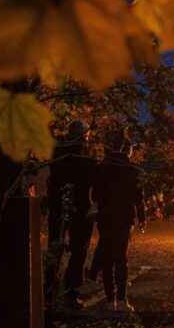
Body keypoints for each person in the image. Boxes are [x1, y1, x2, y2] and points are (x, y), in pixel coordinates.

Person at [45, 121, 96, 309]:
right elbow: (93, 179)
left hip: (58, 204)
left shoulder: (57, 151)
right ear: (84, 135)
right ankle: (71, 290)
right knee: (79, 249)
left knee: (55, 244)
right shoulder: (86, 154)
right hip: (81, 205)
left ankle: (49, 289)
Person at [91, 134, 145, 311]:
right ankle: (122, 299)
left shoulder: (102, 169)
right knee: (121, 257)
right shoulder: (134, 171)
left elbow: (95, 194)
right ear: (128, 151)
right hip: (125, 218)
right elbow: (139, 198)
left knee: (107, 257)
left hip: (106, 217)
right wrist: (142, 218)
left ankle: (109, 299)